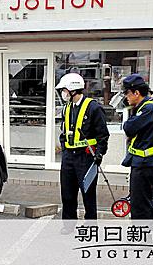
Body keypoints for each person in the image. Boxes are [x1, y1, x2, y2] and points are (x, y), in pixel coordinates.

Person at [56, 73, 110, 223]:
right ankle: (68, 224)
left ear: (72, 90)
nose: (63, 94)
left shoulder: (93, 107)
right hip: (69, 158)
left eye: (64, 90)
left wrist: (99, 154)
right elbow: (64, 132)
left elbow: (102, 135)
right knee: (67, 194)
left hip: (86, 157)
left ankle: (90, 225)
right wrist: (64, 149)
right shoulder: (67, 108)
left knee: (88, 194)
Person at [121, 74, 153, 219]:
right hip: (142, 162)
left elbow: (129, 128)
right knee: (139, 203)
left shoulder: (148, 109)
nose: (126, 97)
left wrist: (130, 117)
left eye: (127, 93)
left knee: (140, 205)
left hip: (145, 163)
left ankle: (142, 237)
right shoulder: (143, 107)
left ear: (136, 93)